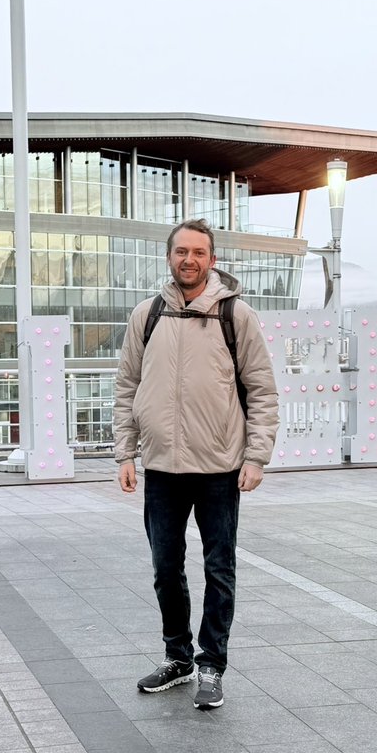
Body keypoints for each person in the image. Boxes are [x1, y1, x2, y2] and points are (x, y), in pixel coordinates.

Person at [114, 218, 278, 710]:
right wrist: (125, 451)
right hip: (161, 467)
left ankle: (211, 664)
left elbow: (262, 391)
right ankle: (178, 658)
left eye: (199, 253)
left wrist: (257, 456)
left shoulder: (236, 316)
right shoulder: (147, 316)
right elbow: (126, 388)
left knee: (218, 568)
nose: (190, 260)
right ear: (169, 257)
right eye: (181, 251)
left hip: (220, 467)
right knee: (166, 569)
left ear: (212, 260)